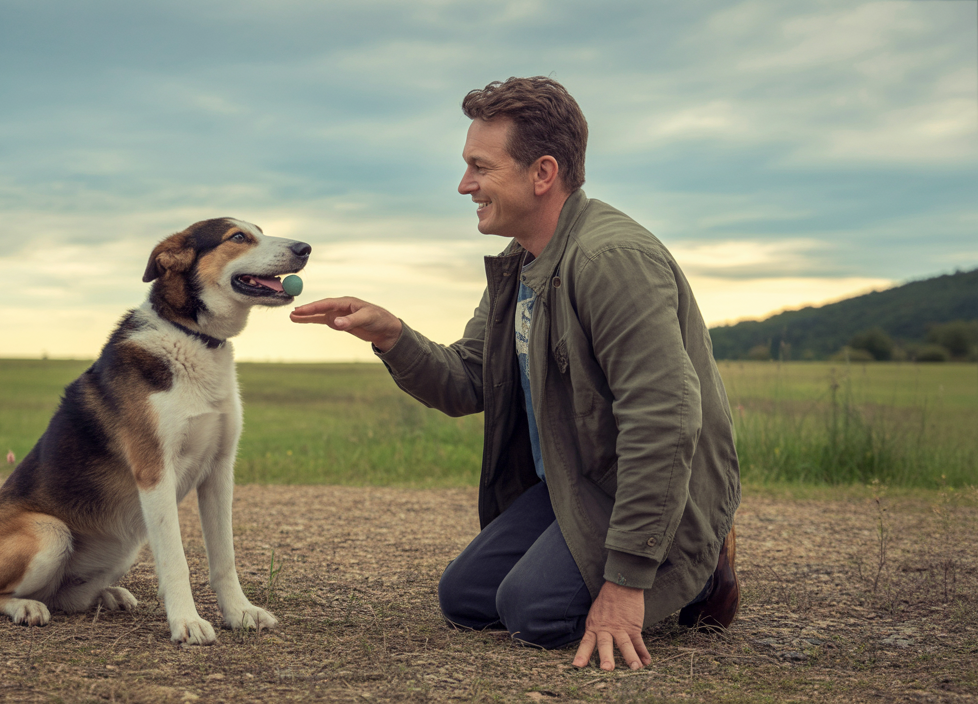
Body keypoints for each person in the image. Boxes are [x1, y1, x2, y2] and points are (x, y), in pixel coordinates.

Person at [290, 76, 740, 671]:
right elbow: (467, 381)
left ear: (542, 174)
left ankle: (701, 568)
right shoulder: (522, 265)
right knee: (467, 598)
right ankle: (602, 555)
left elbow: (664, 420)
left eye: (481, 167)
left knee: (536, 614)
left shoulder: (610, 259)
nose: (464, 185)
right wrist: (391, 336)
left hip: (648, 489)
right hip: (573, 483)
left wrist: (626, 586)